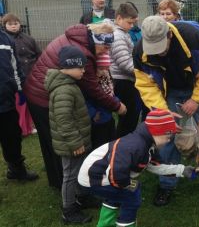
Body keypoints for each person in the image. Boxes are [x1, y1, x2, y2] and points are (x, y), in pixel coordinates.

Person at [133, 16, 199, 205]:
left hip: (198, 88)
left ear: (169, 35)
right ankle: (167, 184)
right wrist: (163, 111)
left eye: (161, 46)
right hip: (169, 93)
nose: (158, 53)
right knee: (167, 139)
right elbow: (145, 85)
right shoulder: (139, 51)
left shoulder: (193, 37)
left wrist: (196, 99)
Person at [24, 21, 127, 189]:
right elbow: (92, 88)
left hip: (36, 90)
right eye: (106, 47)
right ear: (98, 41)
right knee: (59, 144)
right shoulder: (83, 54)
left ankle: (57, 182)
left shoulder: (79, 37)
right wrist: (117, 106)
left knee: (49, 141)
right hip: (43, 96)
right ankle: (69, 187)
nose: (106, 51)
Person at [78, 109, 195, 227]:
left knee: (118, 194)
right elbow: (116, 172)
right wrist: (127, 186)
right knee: (132, 196)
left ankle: (105, 224)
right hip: (94, 178)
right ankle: (125, 224)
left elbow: (155, 166)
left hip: (104, 175)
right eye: (168, 135)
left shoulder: (148, 144)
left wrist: (182, 170)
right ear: (156, 132)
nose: (169, 140)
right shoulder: (135, 146)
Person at [45, 45, 92, 224]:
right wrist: (75, 143)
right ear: (68, 66)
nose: (83, 70)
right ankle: (68, 210)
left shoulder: (69, 84)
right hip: (71, 144)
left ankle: (81, 198)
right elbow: (64, 121)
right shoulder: (64, 89)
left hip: (76, 141)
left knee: (79, 170)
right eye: (80, 67)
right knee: (70, 175)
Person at [0, 29, 38, 181]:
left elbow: (15, 67)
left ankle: (16, 169)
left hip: (6, 101)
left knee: (12, 137)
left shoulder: (6, 39)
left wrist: (21, 90)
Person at [2, 13, 41, 136]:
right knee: (19, 105)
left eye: (16, 23)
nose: (13, 26)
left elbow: (39, 55)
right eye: (10, 24)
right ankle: (21, 128)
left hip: (30, 76)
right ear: (4, 25)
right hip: (14, 79)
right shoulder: (5, 40)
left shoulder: (29, 39)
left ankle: (29, 127)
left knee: (30, 104)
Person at [110, 3, 141, 137]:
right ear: (119, 19)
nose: (132, 26)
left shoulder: (123, 33)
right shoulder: (118, 36)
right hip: (123, 81)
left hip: (126, 80)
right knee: (128, 118)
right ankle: (122, 144)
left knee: (131, 117)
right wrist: (142, 72)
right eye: (129, 22)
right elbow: (125, 63)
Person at [86, 53, 117, 149]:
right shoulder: (91, 83)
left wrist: (117, 102)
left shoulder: (106, 79)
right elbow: (86, 100)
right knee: (99, 145)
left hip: (108, 117)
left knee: (111, 142)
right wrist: (93, 113)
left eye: (106, 68)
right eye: (100, 69)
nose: (103, 71)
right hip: (98, 121)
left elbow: (111, 95)